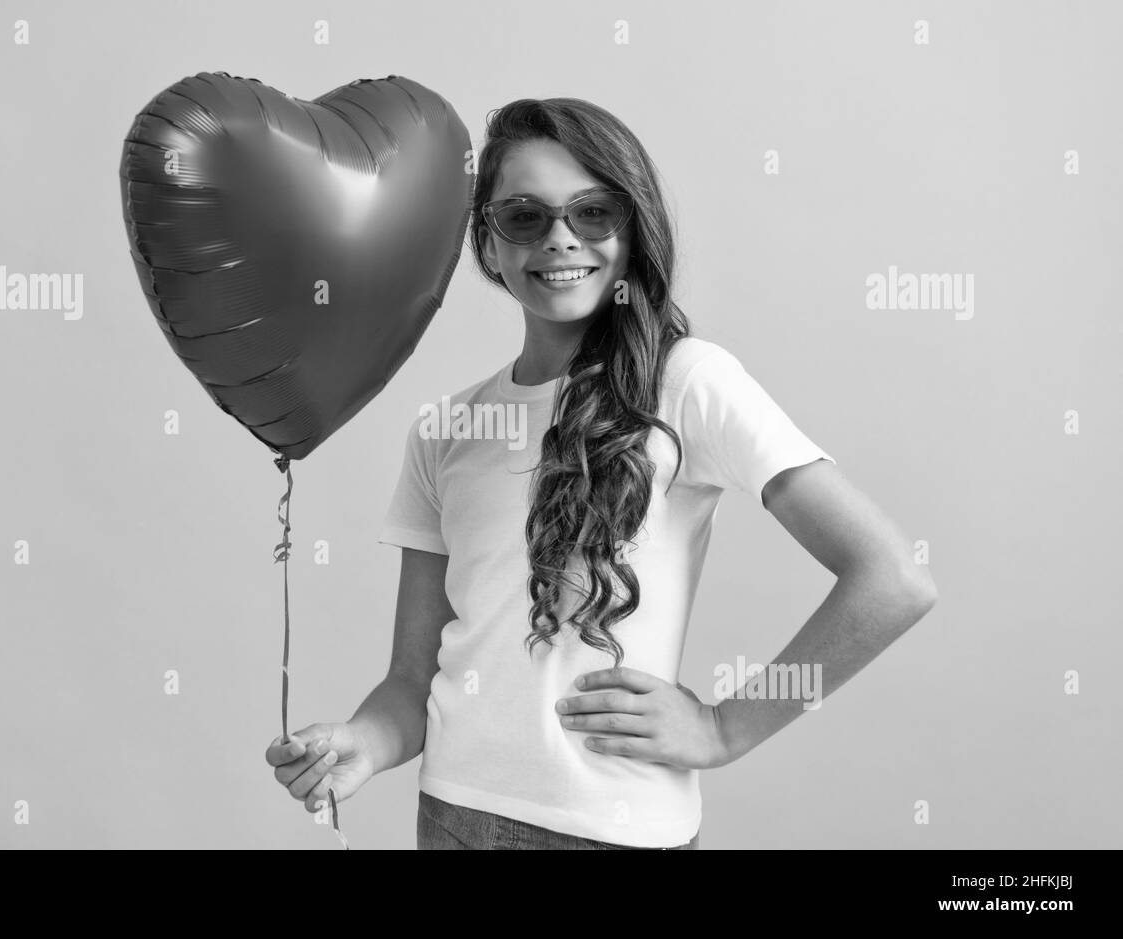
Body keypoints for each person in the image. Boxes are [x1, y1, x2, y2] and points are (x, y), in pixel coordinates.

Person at [265, 98, 938, 850]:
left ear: (632, 227)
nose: (560, 239)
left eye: (592, 213)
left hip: (610, 833)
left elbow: (892, 578)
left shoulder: (686, 384)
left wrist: (724, 728)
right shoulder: (445, 429)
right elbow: (411, 684)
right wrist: (362, 740)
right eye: (524, 216)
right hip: (452, 816)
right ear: (487, 240)